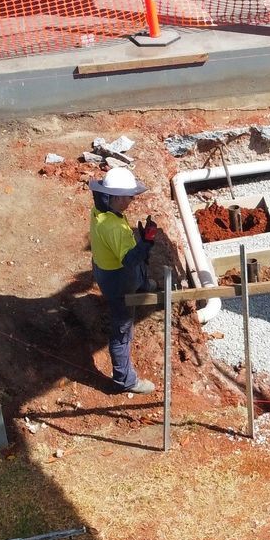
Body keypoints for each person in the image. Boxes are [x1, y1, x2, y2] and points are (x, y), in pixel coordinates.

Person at [87, 169, 160, 395]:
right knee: (122, 331)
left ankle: (143, 285)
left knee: (138, 272)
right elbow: (129, 261)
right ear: (117, 197)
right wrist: (146, 243)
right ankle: (124, 380)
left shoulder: (101, 211)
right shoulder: (114, 227)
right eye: (129, 196)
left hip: (104, 269)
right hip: (118, 280)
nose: (132, 200)